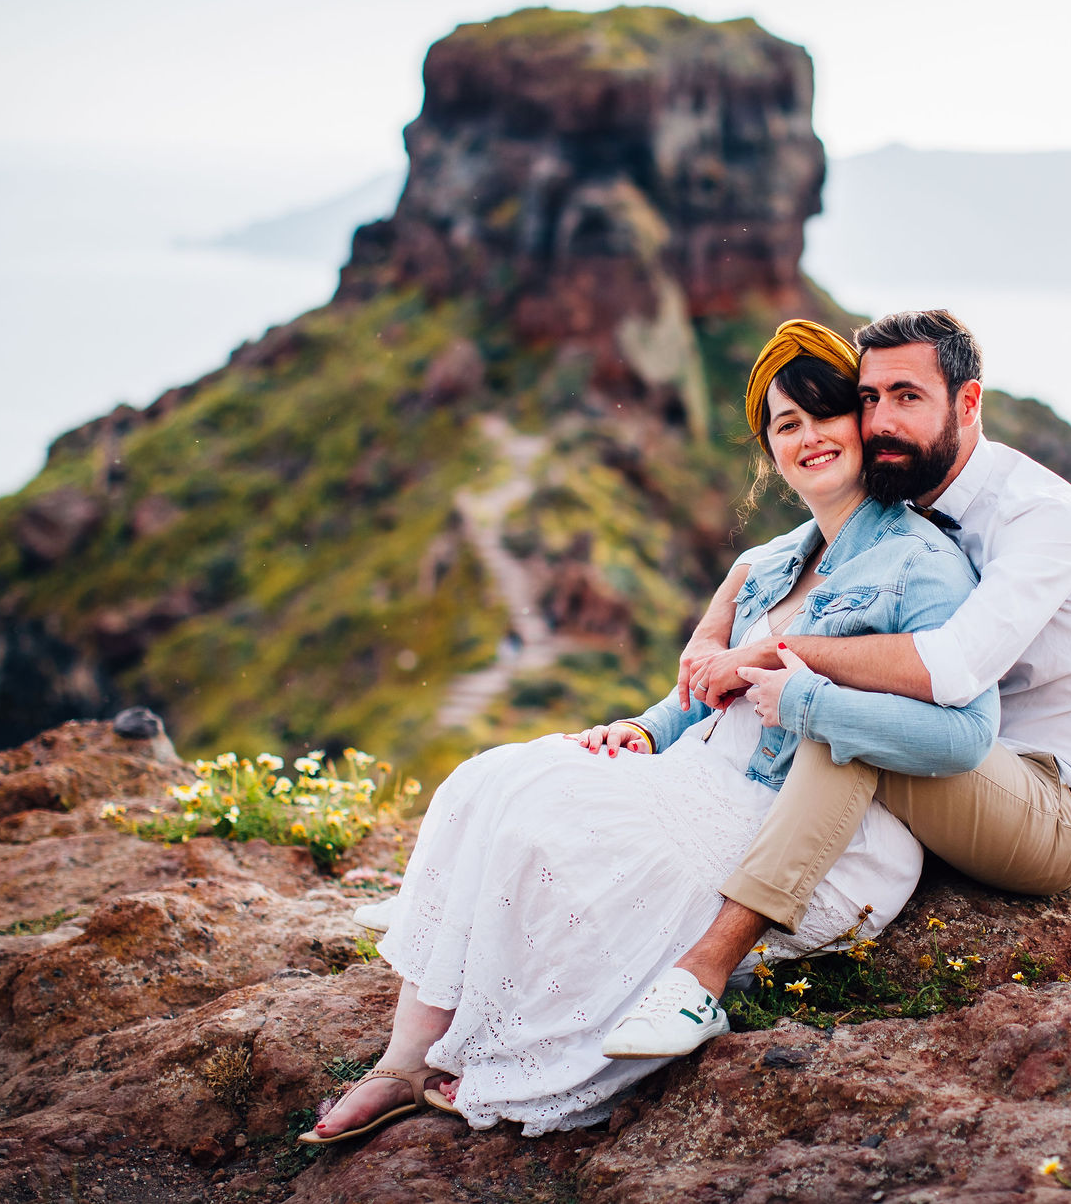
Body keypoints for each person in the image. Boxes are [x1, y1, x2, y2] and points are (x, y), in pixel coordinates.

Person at [301, 319, 997, 1143]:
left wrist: (802, 697)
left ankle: (497, 1053)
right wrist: (644, 726)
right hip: (704, 773)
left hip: (818, 826)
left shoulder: (922, 563)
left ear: (863, 422)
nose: (809, 437)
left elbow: (958, 732)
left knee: (578, 848)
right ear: (768, 448)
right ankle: (404, 1059)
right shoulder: (773, 559)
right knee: (498, 778)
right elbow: (704, 692)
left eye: (825, 412)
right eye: (786, 424)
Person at [604, 308, 1071, 1059]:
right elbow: (804, 548)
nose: (882, 419)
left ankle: (702, 976)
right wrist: (721, 616)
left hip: (1055, 805)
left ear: (968, 402)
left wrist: (771, 655)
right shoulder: (908, 489)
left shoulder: (1037, 517)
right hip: (957, 769)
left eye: (908, 396)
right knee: (845, 710)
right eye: (870, 398)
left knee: (845, 725)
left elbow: (948, 668)